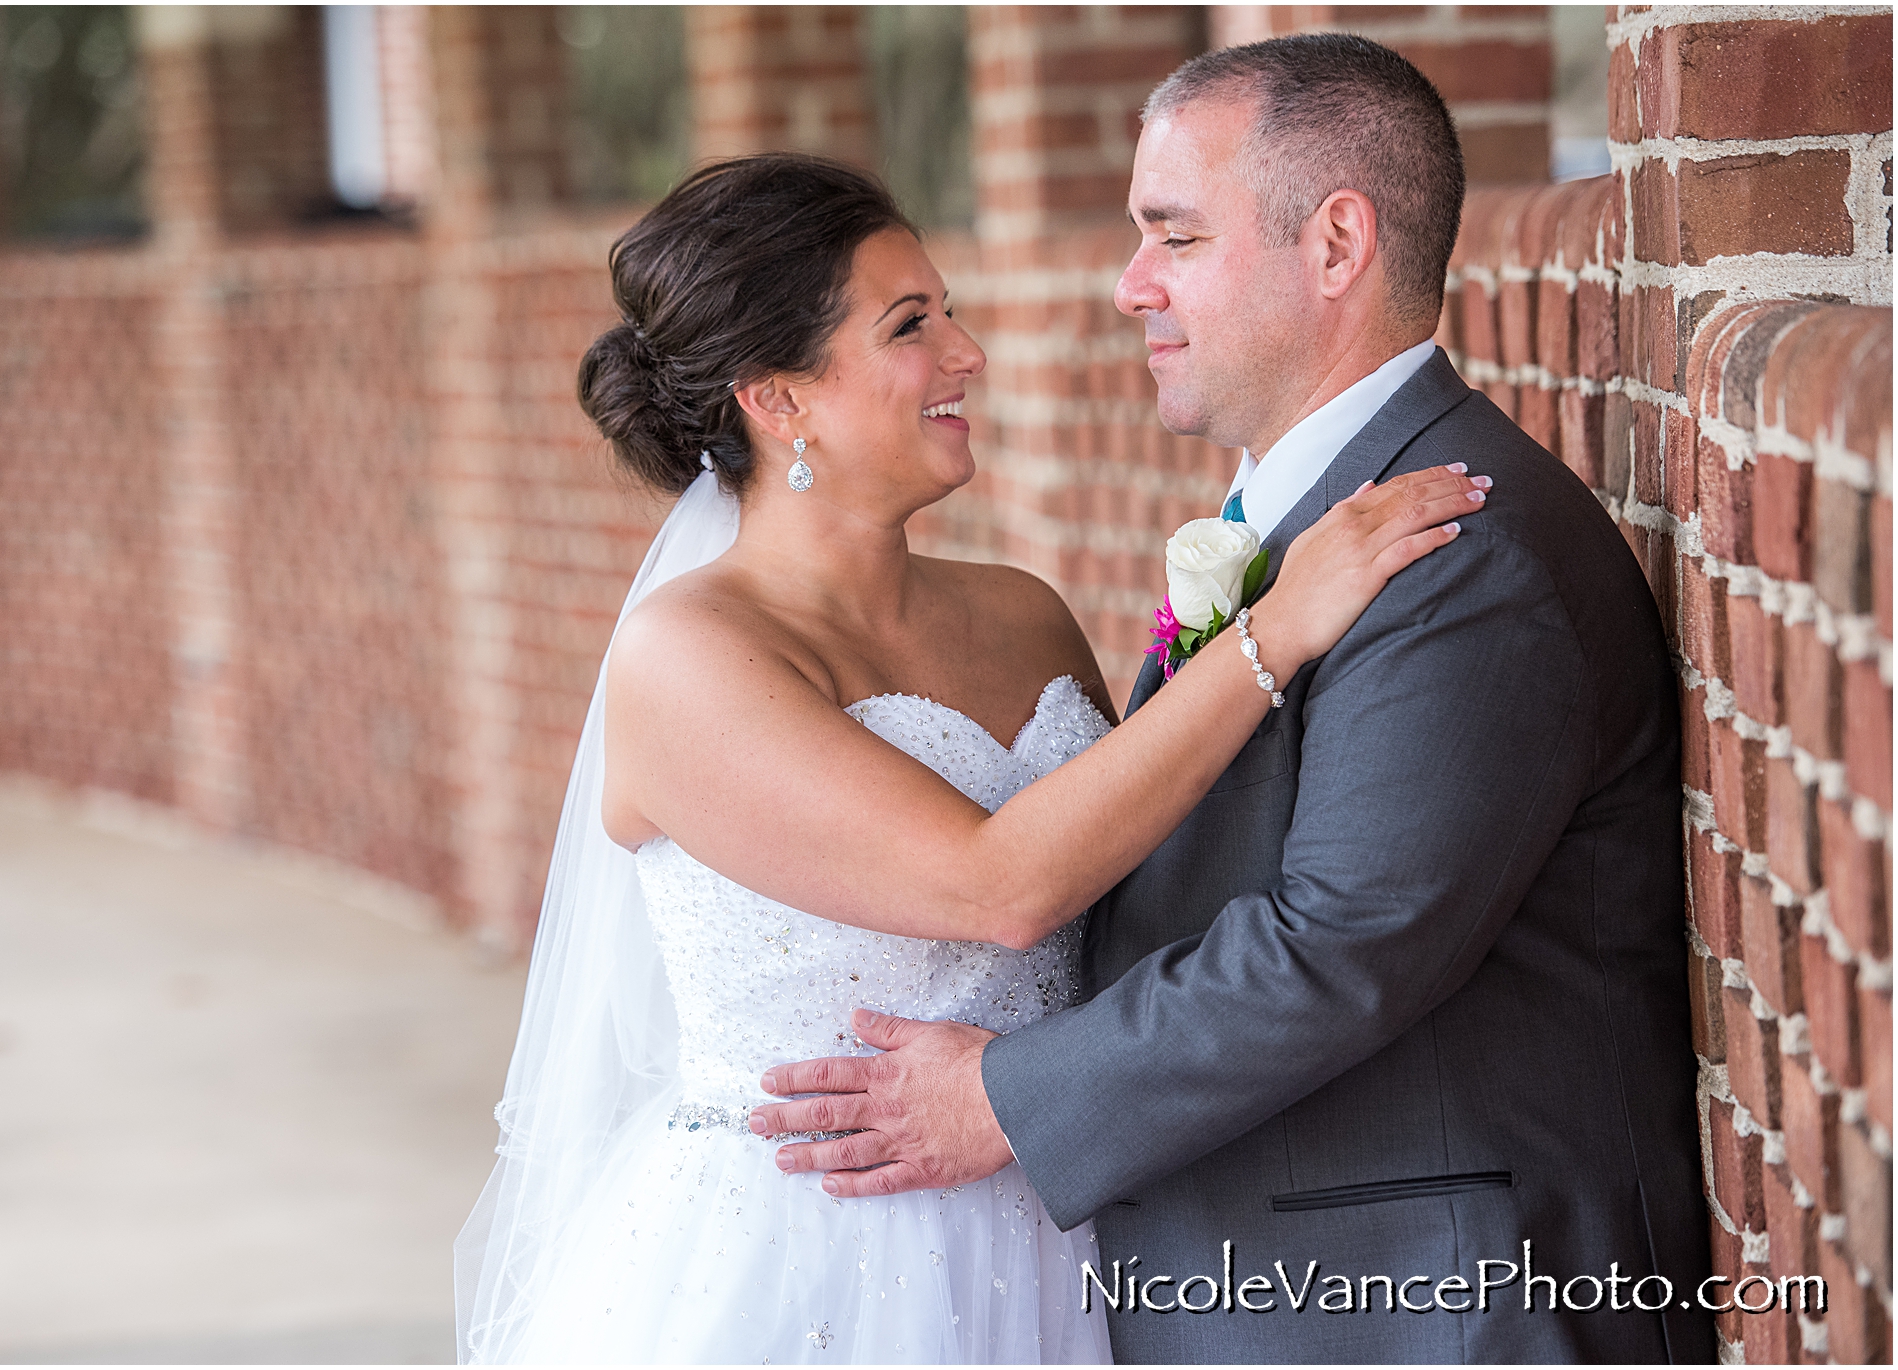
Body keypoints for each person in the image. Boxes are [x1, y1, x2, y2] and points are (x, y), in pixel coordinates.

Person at [749, 36, 1715, 1364]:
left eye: (1175, 236)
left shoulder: (1458, 554)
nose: (1128, 282)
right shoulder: (1317, 522)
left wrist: (1002, 1099)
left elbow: (1337, 949)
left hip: (1436, 1303)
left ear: (1335, 246)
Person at [453, 151, 1487, 1364]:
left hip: (1062, 1217)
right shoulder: (685, 659)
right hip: (814, 1252)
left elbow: (1137, 879)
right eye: (910, 325)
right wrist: (1273, 628)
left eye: (947, 310)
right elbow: (998, 886)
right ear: (775, 398)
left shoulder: (1020, 613)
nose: (965, 354)